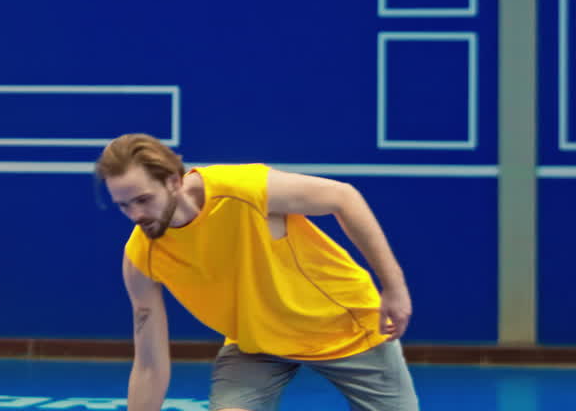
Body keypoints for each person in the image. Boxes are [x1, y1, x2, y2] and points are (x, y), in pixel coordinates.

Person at [94, 133, 417, 411]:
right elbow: (150, 365)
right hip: (257, 343)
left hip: (346, 328)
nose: (135, 214)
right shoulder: (142, 257)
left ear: (174, 181)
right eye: (123, 205)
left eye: (143, 199)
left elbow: (343, 198)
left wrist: (394, 287)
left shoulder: (243, 190)